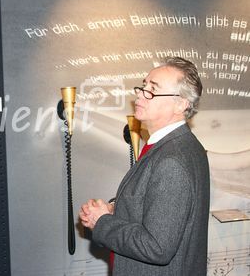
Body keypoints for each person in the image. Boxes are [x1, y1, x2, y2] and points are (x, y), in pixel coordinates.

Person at [79, 57, 210, 275]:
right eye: (144, 85)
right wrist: (115, 209)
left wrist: (102, 222)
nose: (140, 93)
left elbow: (157, 247)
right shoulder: (179, 145)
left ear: (181, 104)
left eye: (152, 89)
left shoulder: (172, 160)